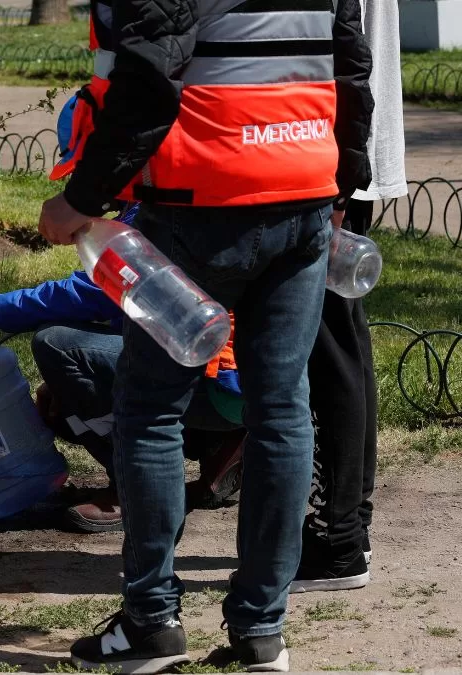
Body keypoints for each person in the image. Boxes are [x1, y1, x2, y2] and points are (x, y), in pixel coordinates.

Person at [37, 0, 373, 669]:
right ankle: (261, 632)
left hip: (203, 198)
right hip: (305, 188)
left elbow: (147, 78)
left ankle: (150, 621)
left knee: (151, 410)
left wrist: (82, 198)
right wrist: (345, 179)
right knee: (282, 411)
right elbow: (351, 63)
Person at [0, 211, 245, 533]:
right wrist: (68, 380)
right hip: (235, 377)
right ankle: (216, 443)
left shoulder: (156, 205)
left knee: (58, 345)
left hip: (218, 380)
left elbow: (97, 291)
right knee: (67, 401)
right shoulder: (165, 199)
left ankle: (137, 490)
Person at [295, 0, 406, 594]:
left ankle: (336, 538)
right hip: (337, 149)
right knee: (342, 343)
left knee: (329, 349)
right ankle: (346, 527)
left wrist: (341, 176)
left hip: (327, 153)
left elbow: (346, 49)